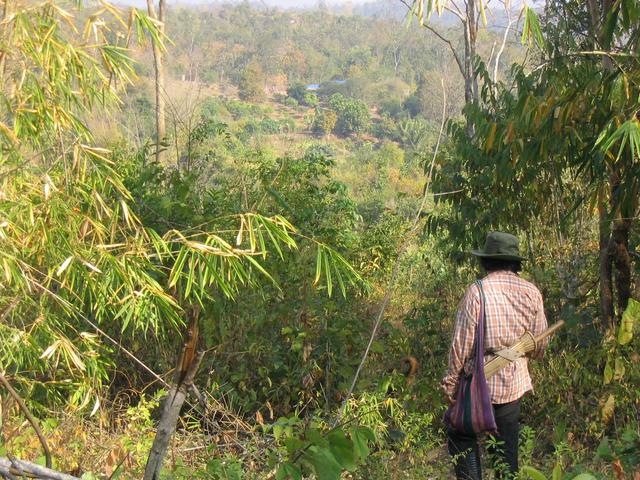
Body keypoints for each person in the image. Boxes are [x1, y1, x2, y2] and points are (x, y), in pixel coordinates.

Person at [442, 231, 549, 480]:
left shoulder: (478, 292)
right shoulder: (531, 292)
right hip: (513, 384)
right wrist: (517, 351)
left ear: (487, 260)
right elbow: (540, 347)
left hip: (478, 384)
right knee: (506, 450)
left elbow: (462, 344)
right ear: (515, 261)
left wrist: (451, 383)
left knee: (461, 433)